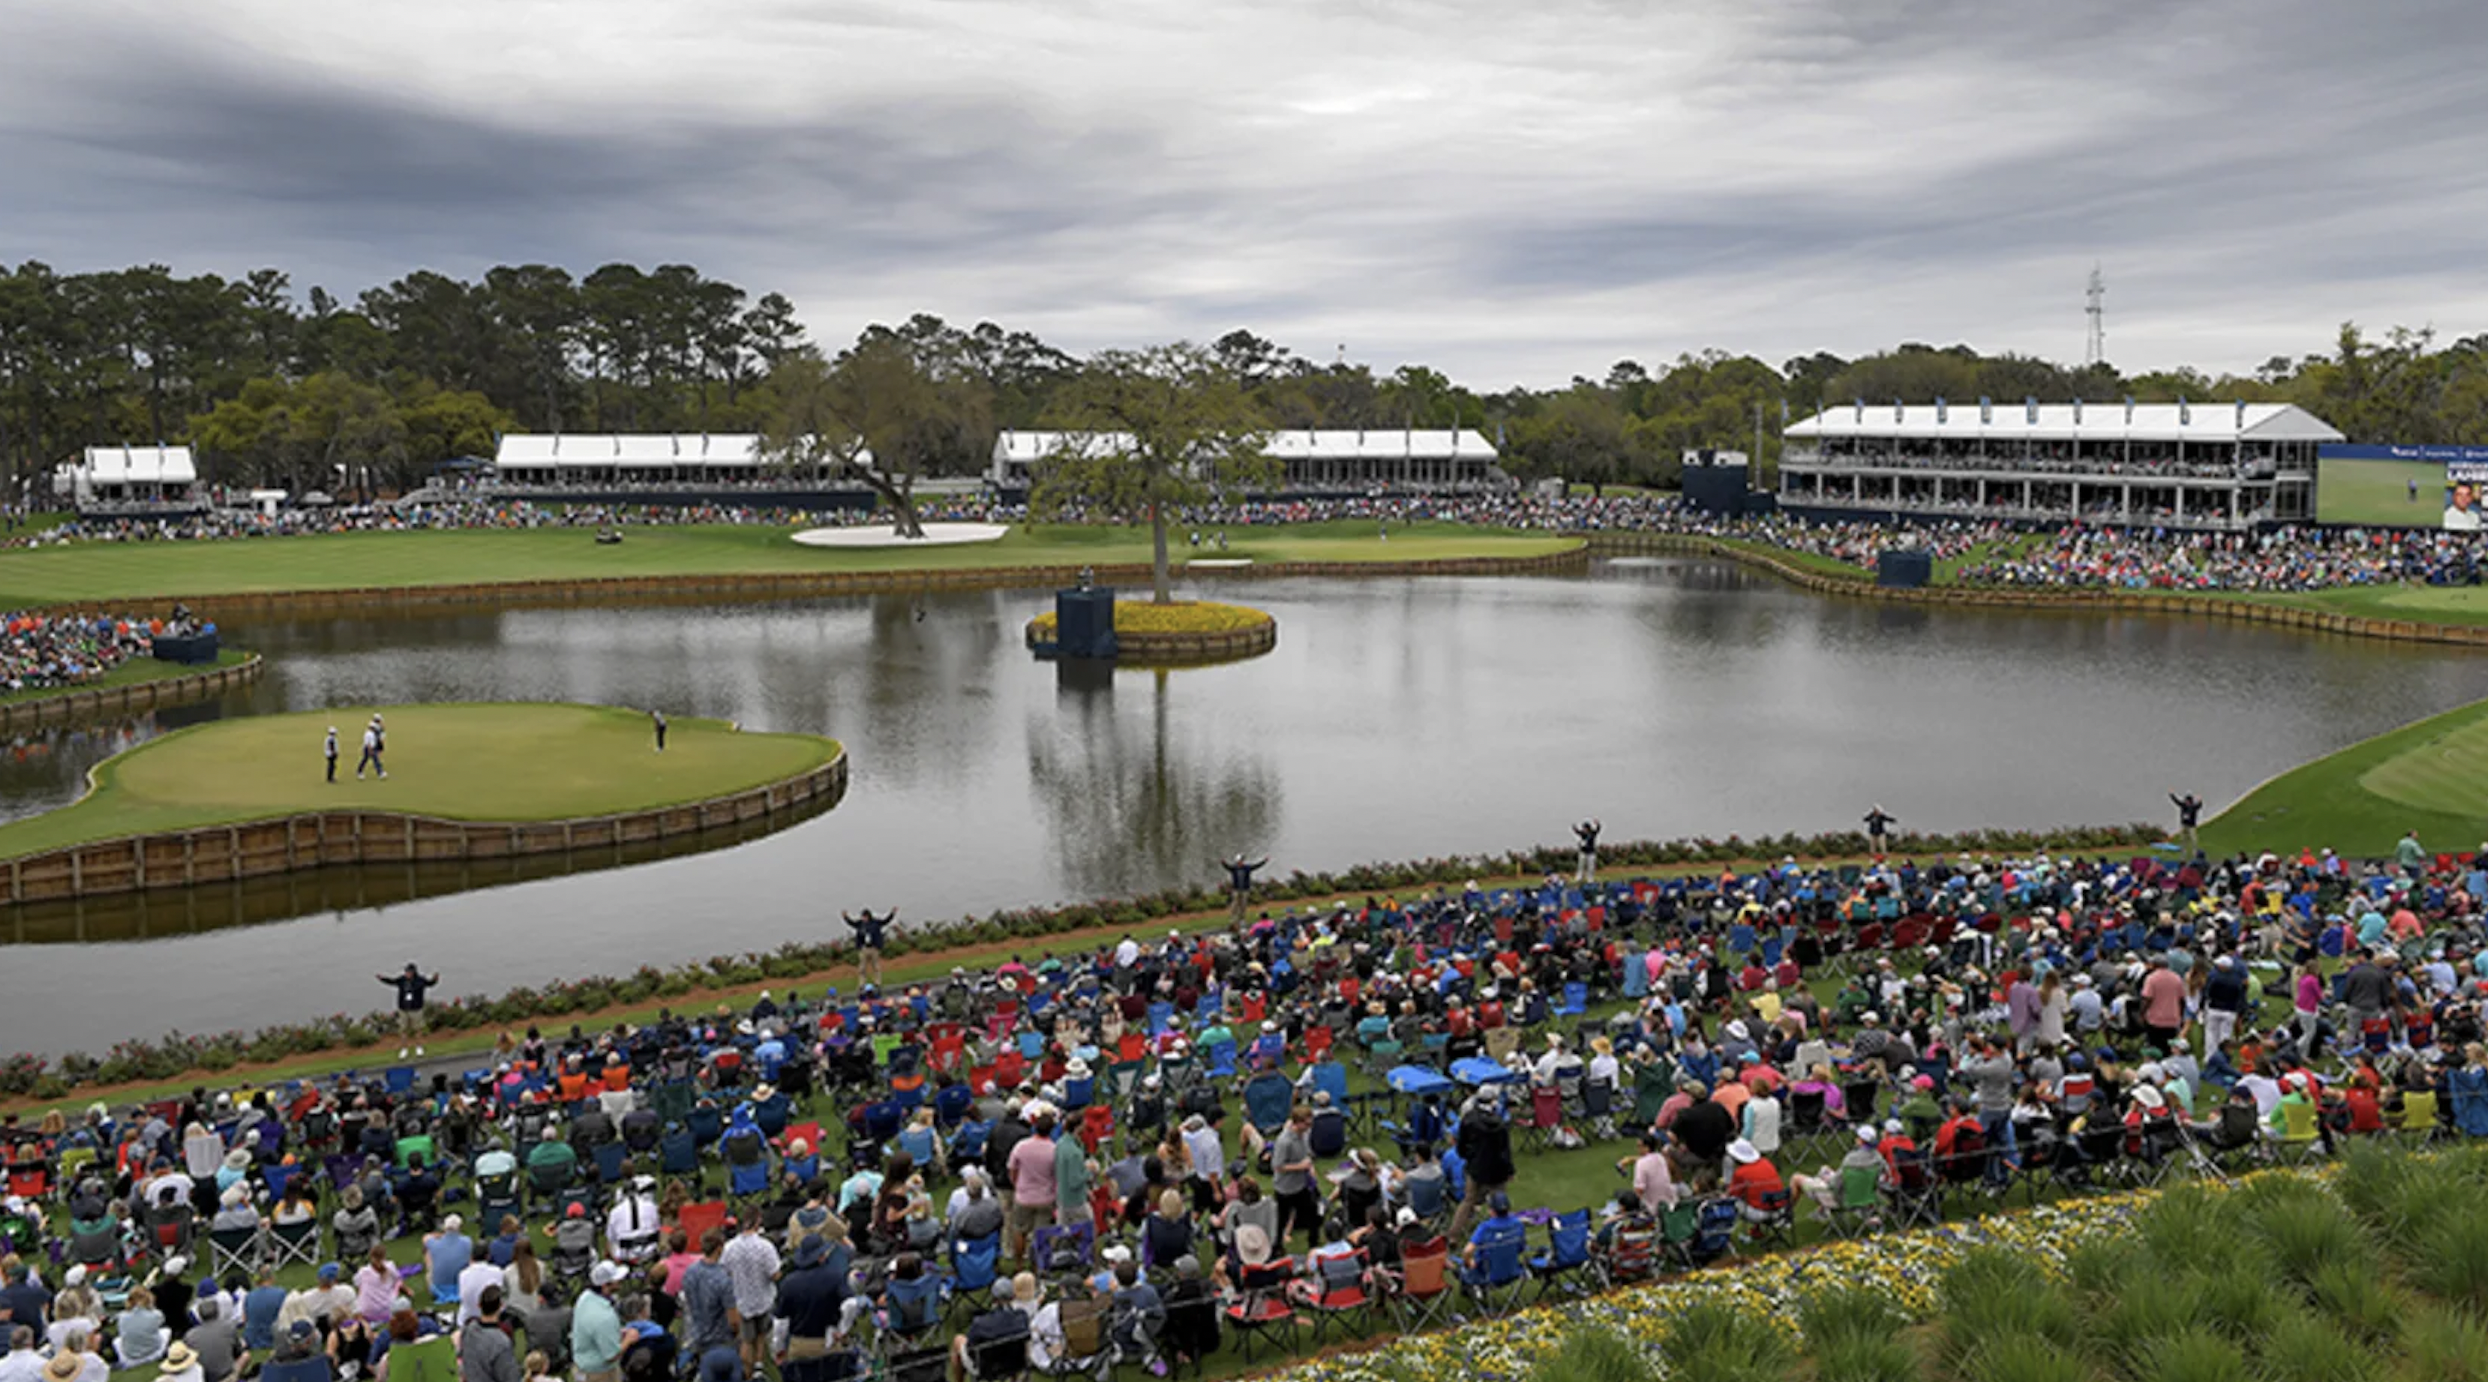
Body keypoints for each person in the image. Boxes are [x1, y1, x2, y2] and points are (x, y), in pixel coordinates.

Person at [717, 1218, 780, 1376]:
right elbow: (775, 1274)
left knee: (746, 1338)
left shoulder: (729, 1247)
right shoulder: (765, 1246)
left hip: (742, 1297)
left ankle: (748, 1372)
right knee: (760, 1333)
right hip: (762, 1296)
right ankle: (757, 1367)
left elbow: (724, 1270)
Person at [571, 1262, 628, 1382]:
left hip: (582, 1366)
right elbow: (612, 1355)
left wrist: (616, 1332)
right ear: (605, 1286)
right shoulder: (604, 1316)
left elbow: (592, 1330)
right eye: (616, 1280)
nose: (620, 1282)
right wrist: (630, 1339)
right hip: (600, 1374)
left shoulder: (584, 1297)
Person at [460, 1286, 522, 1382]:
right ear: (501, 1306)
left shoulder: (468, 1331)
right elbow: (510, 1377)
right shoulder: (501, 1342)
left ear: (479, 1305)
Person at [379, 962, 439, 1059]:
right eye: (406, 972)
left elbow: (430, 984)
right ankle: (404, 1049)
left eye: (409, 972)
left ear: (414, 972)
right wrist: (382, 978)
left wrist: (435, 979)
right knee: (403, 1030)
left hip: (416, 1009)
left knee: (417, 1029)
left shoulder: (420, 980)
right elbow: (392, 981)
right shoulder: (402, 980)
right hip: (403, 1009)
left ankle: (419, 1047)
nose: (407, 974)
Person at [843, 909, 894, 988]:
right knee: (862, 967)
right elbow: (852, 923)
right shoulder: (860, 924)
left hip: (874, 948)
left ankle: (877, 982)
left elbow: (885, 921)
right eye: (863, 917)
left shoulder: (875, 923)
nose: (863, 919)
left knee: (875, 966)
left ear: (868, 916)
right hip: (864, 948)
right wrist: (846, 917)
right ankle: (862, 983)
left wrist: (892, 913)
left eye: (865, 917)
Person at [1222, 855, 1267, 925]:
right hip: (1236, 889)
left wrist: (1264, 861)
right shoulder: (1234, 868)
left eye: (1241, 861)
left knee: (1243, 905)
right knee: (1234, 904)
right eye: (1238, 861)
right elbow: (1227, 867)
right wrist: (1223, 863)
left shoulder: (1247, 868)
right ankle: (1233, 919)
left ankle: (1242, 919)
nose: (1240, 862)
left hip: (1245, 890)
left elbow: (1256, 866)